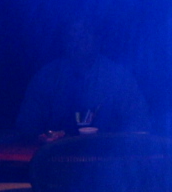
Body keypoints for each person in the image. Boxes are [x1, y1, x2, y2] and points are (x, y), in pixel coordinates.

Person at [15, 18, 149, 138]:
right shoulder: (46, 77)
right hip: (56, 154)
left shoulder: (119, 78)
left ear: (98, 38)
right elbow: (27, 124)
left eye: (84, 34)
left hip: (106, 154)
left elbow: (138, 122)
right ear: (64, 41)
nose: (78, 41)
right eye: (72, 35)